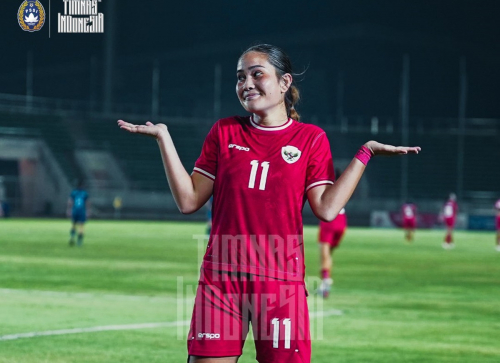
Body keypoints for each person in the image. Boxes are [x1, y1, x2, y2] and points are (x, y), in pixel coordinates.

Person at [118, 43, 421, 363]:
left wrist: (366, 153)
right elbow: (189, 200)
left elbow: (327, 209)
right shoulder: (224, 132)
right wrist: (164, 139)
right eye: (240, 77)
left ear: (284, 82)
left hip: (280, 286)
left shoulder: (311, 139)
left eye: (257, 74)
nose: (246, 84)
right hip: (220, 282)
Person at [317, 168, 347, 298]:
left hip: (329, 221)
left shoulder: (326, 185)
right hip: (342, 221)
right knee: (328, 254)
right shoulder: (343, 186)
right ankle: (326, 279)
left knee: (324, 253)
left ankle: (325, 282)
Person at [67, 180, 90, 246]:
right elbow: (87, 203)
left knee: (73, 225)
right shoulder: (85, 193)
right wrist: (88, 211)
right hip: (82, 211)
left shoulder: (74, 192)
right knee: (81, 226)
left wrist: (69, 210)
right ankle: (79, 241)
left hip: (75, 210)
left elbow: (70, 202)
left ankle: (72, 237)